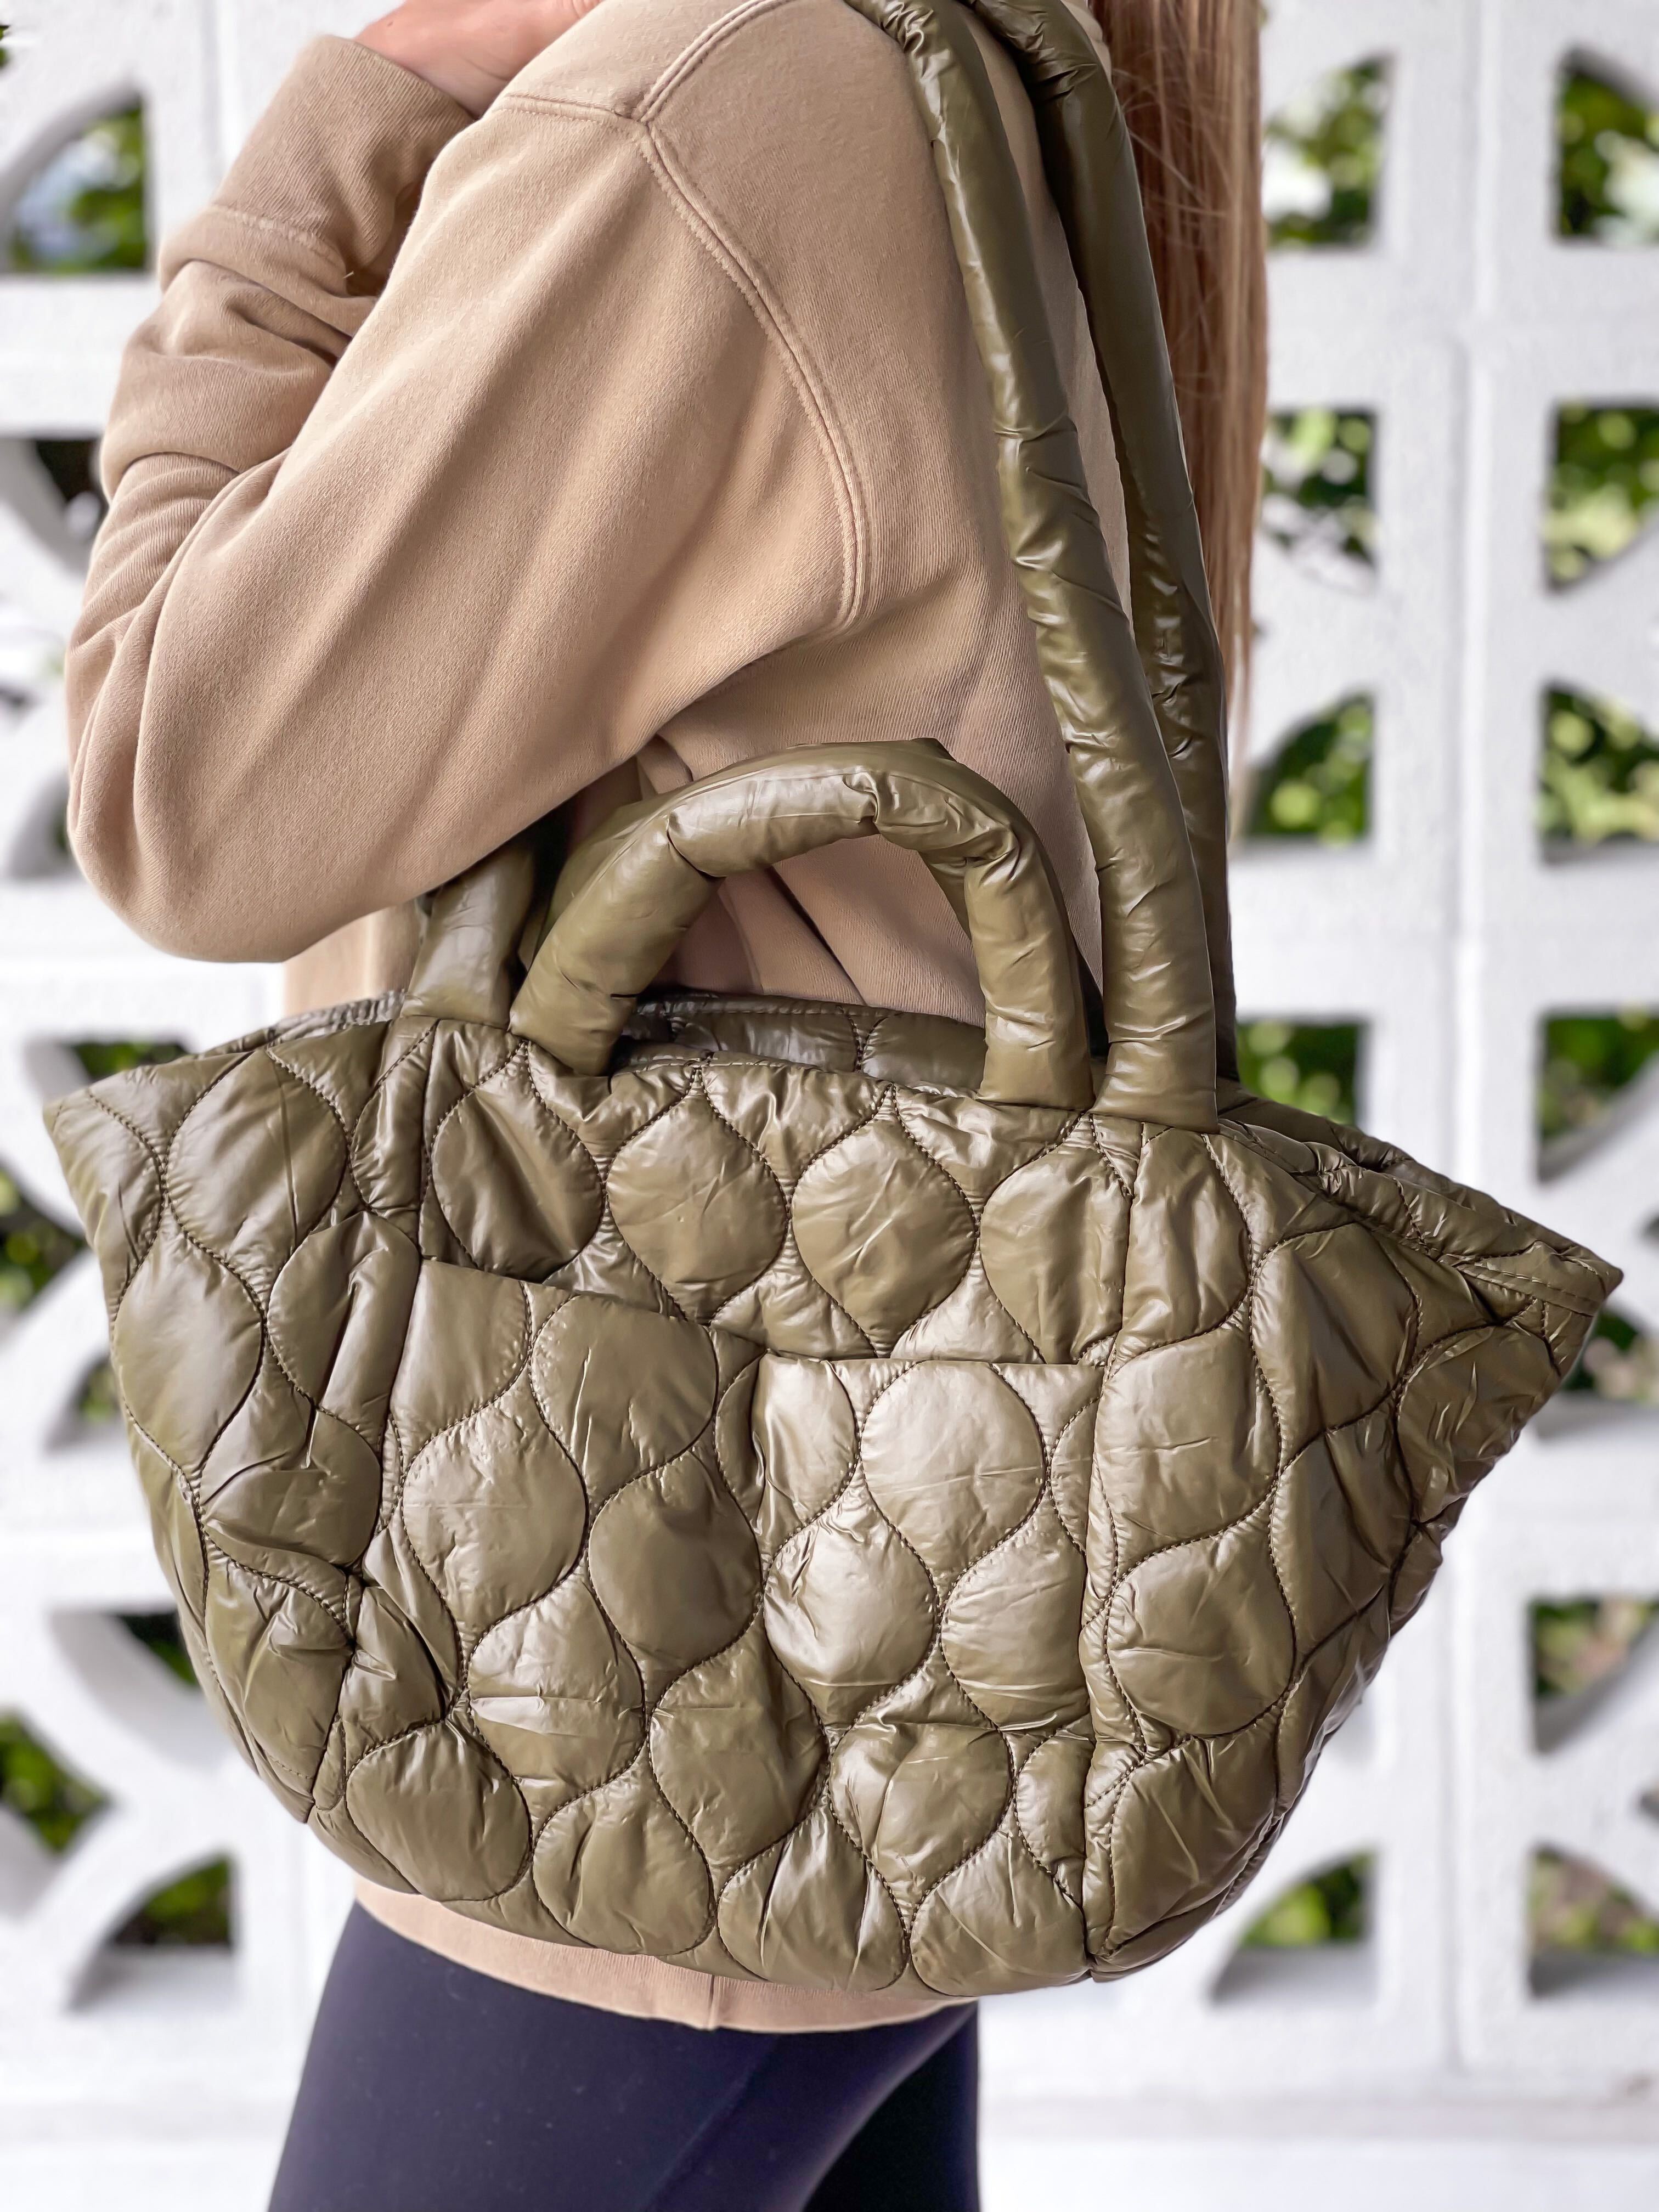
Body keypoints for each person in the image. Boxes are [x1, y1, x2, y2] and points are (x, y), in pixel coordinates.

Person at [65, 0, 1264, 2202]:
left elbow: (177, 792)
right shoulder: (961, 72)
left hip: (641, 1686)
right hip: (875, 1614)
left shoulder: (715, 102)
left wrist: (373, 103)